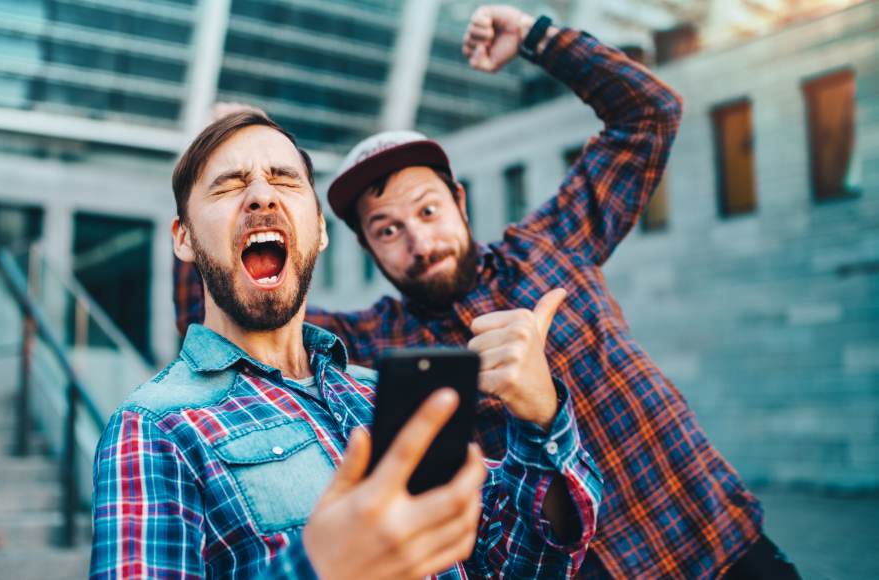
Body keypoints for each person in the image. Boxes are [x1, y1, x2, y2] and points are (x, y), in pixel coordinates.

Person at [172, 5, 801, 578]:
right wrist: (208, 173)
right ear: (365, 248)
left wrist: (536, 37)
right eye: (387, 230)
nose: (418, 242)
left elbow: (650, 113)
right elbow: (227, 313)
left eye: (427, 211)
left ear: (461, 203)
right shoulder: (371, 343)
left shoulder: (552, 246)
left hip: (720, 550)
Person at [91, 110, 603, 578]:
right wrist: (322, 566)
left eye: (284, 180)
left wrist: (541, 419)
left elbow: (518, 562)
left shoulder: (385, 396)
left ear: (319, 230)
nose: (261, 196)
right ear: (183, 239)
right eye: (228, 187)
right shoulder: (154, 425)